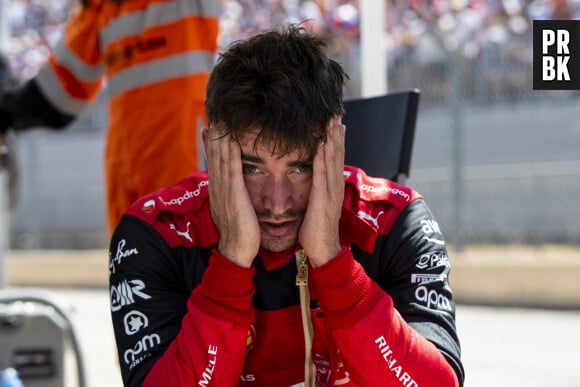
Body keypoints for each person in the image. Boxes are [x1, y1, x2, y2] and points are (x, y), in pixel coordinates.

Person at [109, 24, 465, 386]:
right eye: (252, 168)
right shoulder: (156, 232)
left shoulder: (396, 220)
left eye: (301, 167)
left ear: (336, 147)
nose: (277, 203)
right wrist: (231, 260)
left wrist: (332, 259)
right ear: (210, 147)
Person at [0, 0, 222, 234]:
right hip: (126, 160)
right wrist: (6, 113)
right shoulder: (102, 8)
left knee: (188, 257)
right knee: (128, 261)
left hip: (181, 151)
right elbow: (61, 89)